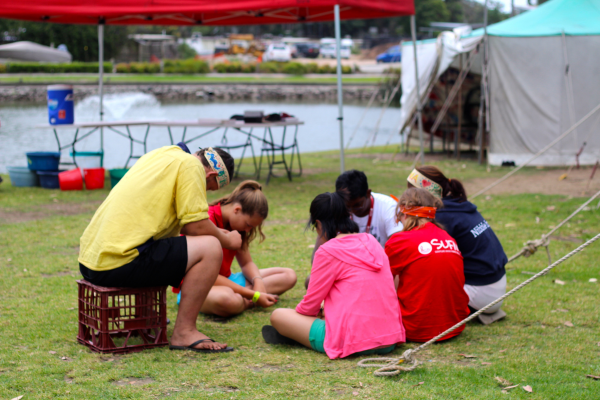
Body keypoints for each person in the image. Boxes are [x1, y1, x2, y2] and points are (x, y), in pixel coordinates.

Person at [78, 143, 240, 353]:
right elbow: (196, 225)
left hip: (92, 261)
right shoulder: (192, 166)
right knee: (211, 247)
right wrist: (226, 240)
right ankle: (184, 332)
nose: (205, 192)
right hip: (117, 262)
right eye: (209, 188)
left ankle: (145, 318)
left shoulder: (163, 155)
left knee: (161, 246)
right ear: (210, 175)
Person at [262, 192, 405, 359]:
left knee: (278, 316)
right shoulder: (371, 241)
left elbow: (309, 307)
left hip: (353, 342)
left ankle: (296, 335)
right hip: (389, 339)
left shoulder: (327, 251)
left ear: (319, 224)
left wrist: (305, 316)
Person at [174, 180, 297, 317]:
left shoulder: (237, 226)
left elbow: (246, 263)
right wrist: (254, 295)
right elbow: (209, 276)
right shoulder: (205, 220)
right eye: (248, 225)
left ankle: (242, 300)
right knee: (228, 300)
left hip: (228, 281)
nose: (248, 230)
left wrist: (258, 282)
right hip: (199, 286)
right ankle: (246, 301)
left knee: (289, 276)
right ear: (237, 210)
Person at [407, 166, 508, 324]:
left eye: (412, 193)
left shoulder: (441, 216)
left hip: (480, 294)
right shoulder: (460, 206)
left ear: (424, 194)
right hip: (496, 288)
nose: (408, 198)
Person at [385, 188, 470, 342]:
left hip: (416, 330)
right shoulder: (448, 237)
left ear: (403, 213)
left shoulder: (399, 241)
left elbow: (381, 285)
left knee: (389, 276)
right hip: (454, 325)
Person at [305, 169, 403, 288]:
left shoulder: (388, 207)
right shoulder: (336, 209)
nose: (351, 211)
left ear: (368, 193)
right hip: (347, 271)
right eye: (347, 206)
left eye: (357, 205)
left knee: (398, 277)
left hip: (380, 268)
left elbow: (399, 249)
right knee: (311, 281)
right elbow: (318, 258)